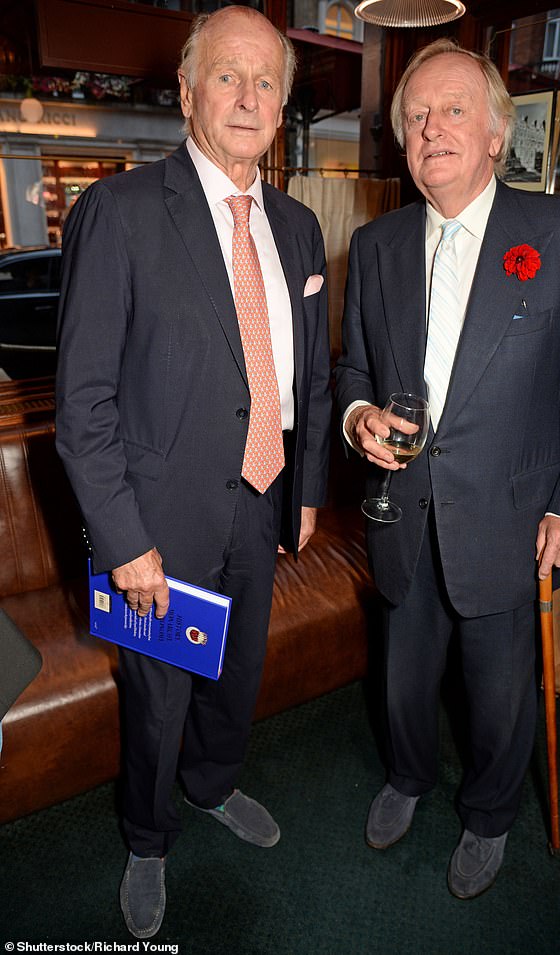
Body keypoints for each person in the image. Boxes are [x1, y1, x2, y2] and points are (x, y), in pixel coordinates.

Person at [56, 7, 331, 938]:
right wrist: (124, 544)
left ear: (285, 101)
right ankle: (147, 836)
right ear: (187, 94)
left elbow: (310, 376)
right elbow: (83, 406)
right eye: (227, 76)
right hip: (158, 528)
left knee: (237, 675)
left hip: (261, 506)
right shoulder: (119, 212)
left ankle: (213, 787)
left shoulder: (296, 228)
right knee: (157, 698)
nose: (248, 95)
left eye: (265, 80)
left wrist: (308, 492)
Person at [335, 38, 560, 900]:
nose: (432, 128)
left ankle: (491, 813)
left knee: (501, 698)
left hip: (512, 521)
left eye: (454, 108)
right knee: (402, 678)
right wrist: (356, 419)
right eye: (416, 116)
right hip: (402, 511)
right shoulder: (377, 243)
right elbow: (352, 370)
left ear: (498, 133)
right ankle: (408, 776)